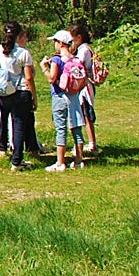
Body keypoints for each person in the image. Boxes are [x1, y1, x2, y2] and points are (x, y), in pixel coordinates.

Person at [0, 21, 37, 171]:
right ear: (19, 35)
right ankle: (17, 161)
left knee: (3, 120)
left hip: (4, 93)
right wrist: (34, 97)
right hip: (21, 92)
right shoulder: (23, 53)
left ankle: (2, 147)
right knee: (19, 125)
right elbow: (29, 77)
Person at [42, 30, 85, 171]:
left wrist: (44, 68)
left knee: (61, 129)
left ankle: (60, 163)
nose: (54, 44)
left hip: (59, 96)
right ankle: (79, 160)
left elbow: (52, 78)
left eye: (55, 41)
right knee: (76, 128)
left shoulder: (56, 59)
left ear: (61, 43)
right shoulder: (75, 58)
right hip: (74, 97)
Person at [70, 22, 99, 154]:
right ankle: (90, 142)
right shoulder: (83, 48)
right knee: (84, 112)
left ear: (79, 37)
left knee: (86, 113)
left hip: (86, 85)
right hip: (84, 84)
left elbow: (78, 64)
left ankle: (92, 143)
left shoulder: (84, 49)